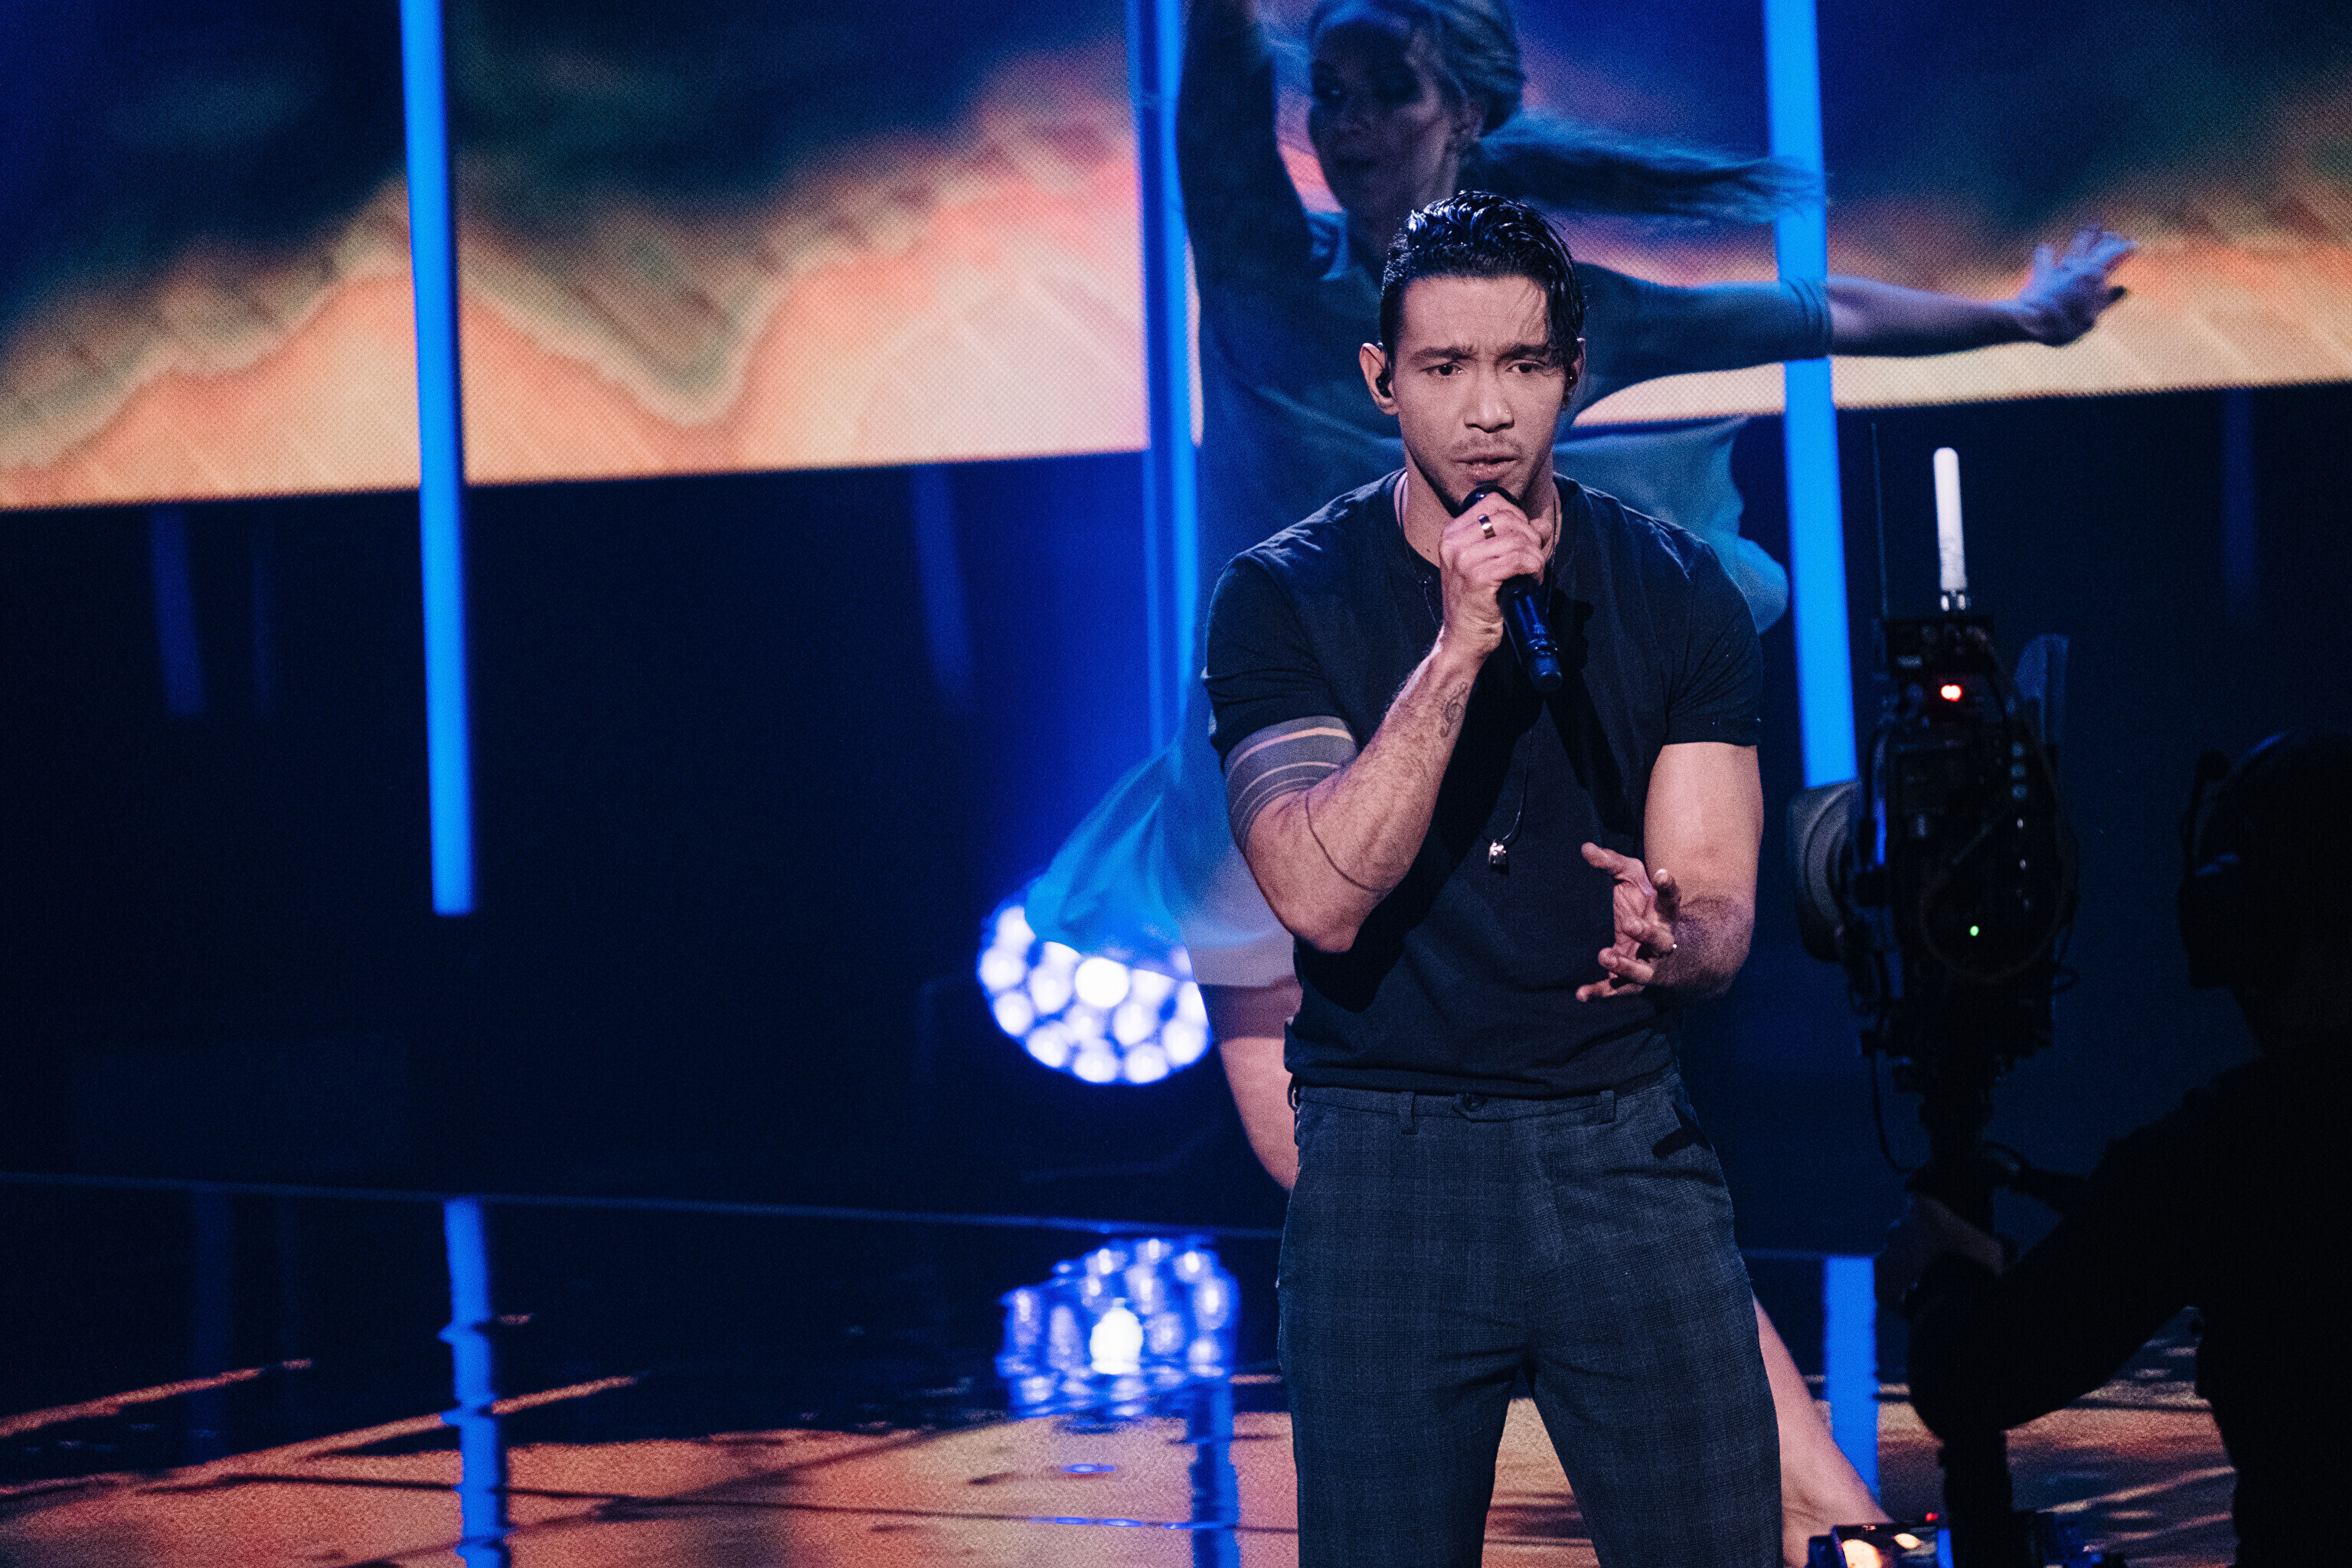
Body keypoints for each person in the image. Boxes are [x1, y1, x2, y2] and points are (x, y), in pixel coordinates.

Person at [1023, 0, 2131, 1552]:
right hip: (1276, 787)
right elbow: (1216, 109)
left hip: (1488, 787)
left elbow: (1810, 314)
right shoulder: (1270, 271)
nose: (1344, 120)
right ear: (1385, 371)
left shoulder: (1568, 321)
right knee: (1326, 1172)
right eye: (1327, 90)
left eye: (1383, 87)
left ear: (1461, 106)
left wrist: (2018, 318)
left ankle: (1817, 1498)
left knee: (1602, 1169)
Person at [1205, 189, 1775, 1565]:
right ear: (1381, 380)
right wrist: (1460, 645)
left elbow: (1716, 902)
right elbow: (1318, 895)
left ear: (1573, 374)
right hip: (1388, 1161)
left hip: (1624, 1149)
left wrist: (1676, 940)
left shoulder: (1677, 590)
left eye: (1522, 364)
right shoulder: (1282, 596)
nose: (1485, 411)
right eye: (1445, 367)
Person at [1879, 730, 2352, 1567]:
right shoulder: (2225, 1159)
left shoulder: (2231, 1153)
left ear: (2245, 924)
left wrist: (1944, 1273)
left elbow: (1968, 1380)